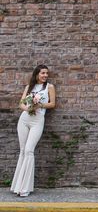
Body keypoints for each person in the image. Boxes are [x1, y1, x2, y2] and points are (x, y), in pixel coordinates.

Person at [11, 64, 56, 197]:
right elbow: (21, 104)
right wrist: (28, 109)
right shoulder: (28, 87)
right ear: (37, 74)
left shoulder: (49, 87)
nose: (45, 75)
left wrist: (39, 105)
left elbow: (52, 104)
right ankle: (17, 186)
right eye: (43, 73)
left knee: (29, 151)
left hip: (38, 120)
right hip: (24, 119)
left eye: (47, 73)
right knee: (23, 151)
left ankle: (25, 188)